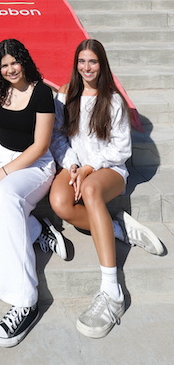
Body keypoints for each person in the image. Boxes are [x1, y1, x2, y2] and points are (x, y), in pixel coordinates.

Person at [49, 39, 163, 339]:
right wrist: (73, 164)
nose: (87, 68)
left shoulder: (113, 99)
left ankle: (111, 290)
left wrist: (89, 167)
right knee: (60, 202)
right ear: (76, 64)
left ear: (102, 64)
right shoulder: (65, 95)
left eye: (93, 62)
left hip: (109, 169)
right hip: (77, 167)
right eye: (82, 62)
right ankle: (118, 228)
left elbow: (121, 149)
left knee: (89, 191)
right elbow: (59, 138)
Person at [0, 39, 67, 349]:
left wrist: (4, 173)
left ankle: (24, 299)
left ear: (24, 61)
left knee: (6, 196)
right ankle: (34, 229)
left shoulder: (42, 92)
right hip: (2, 161)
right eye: (3, 65)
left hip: (35, 165)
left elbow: (40, 145)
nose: (9, 69)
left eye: (14, 62)